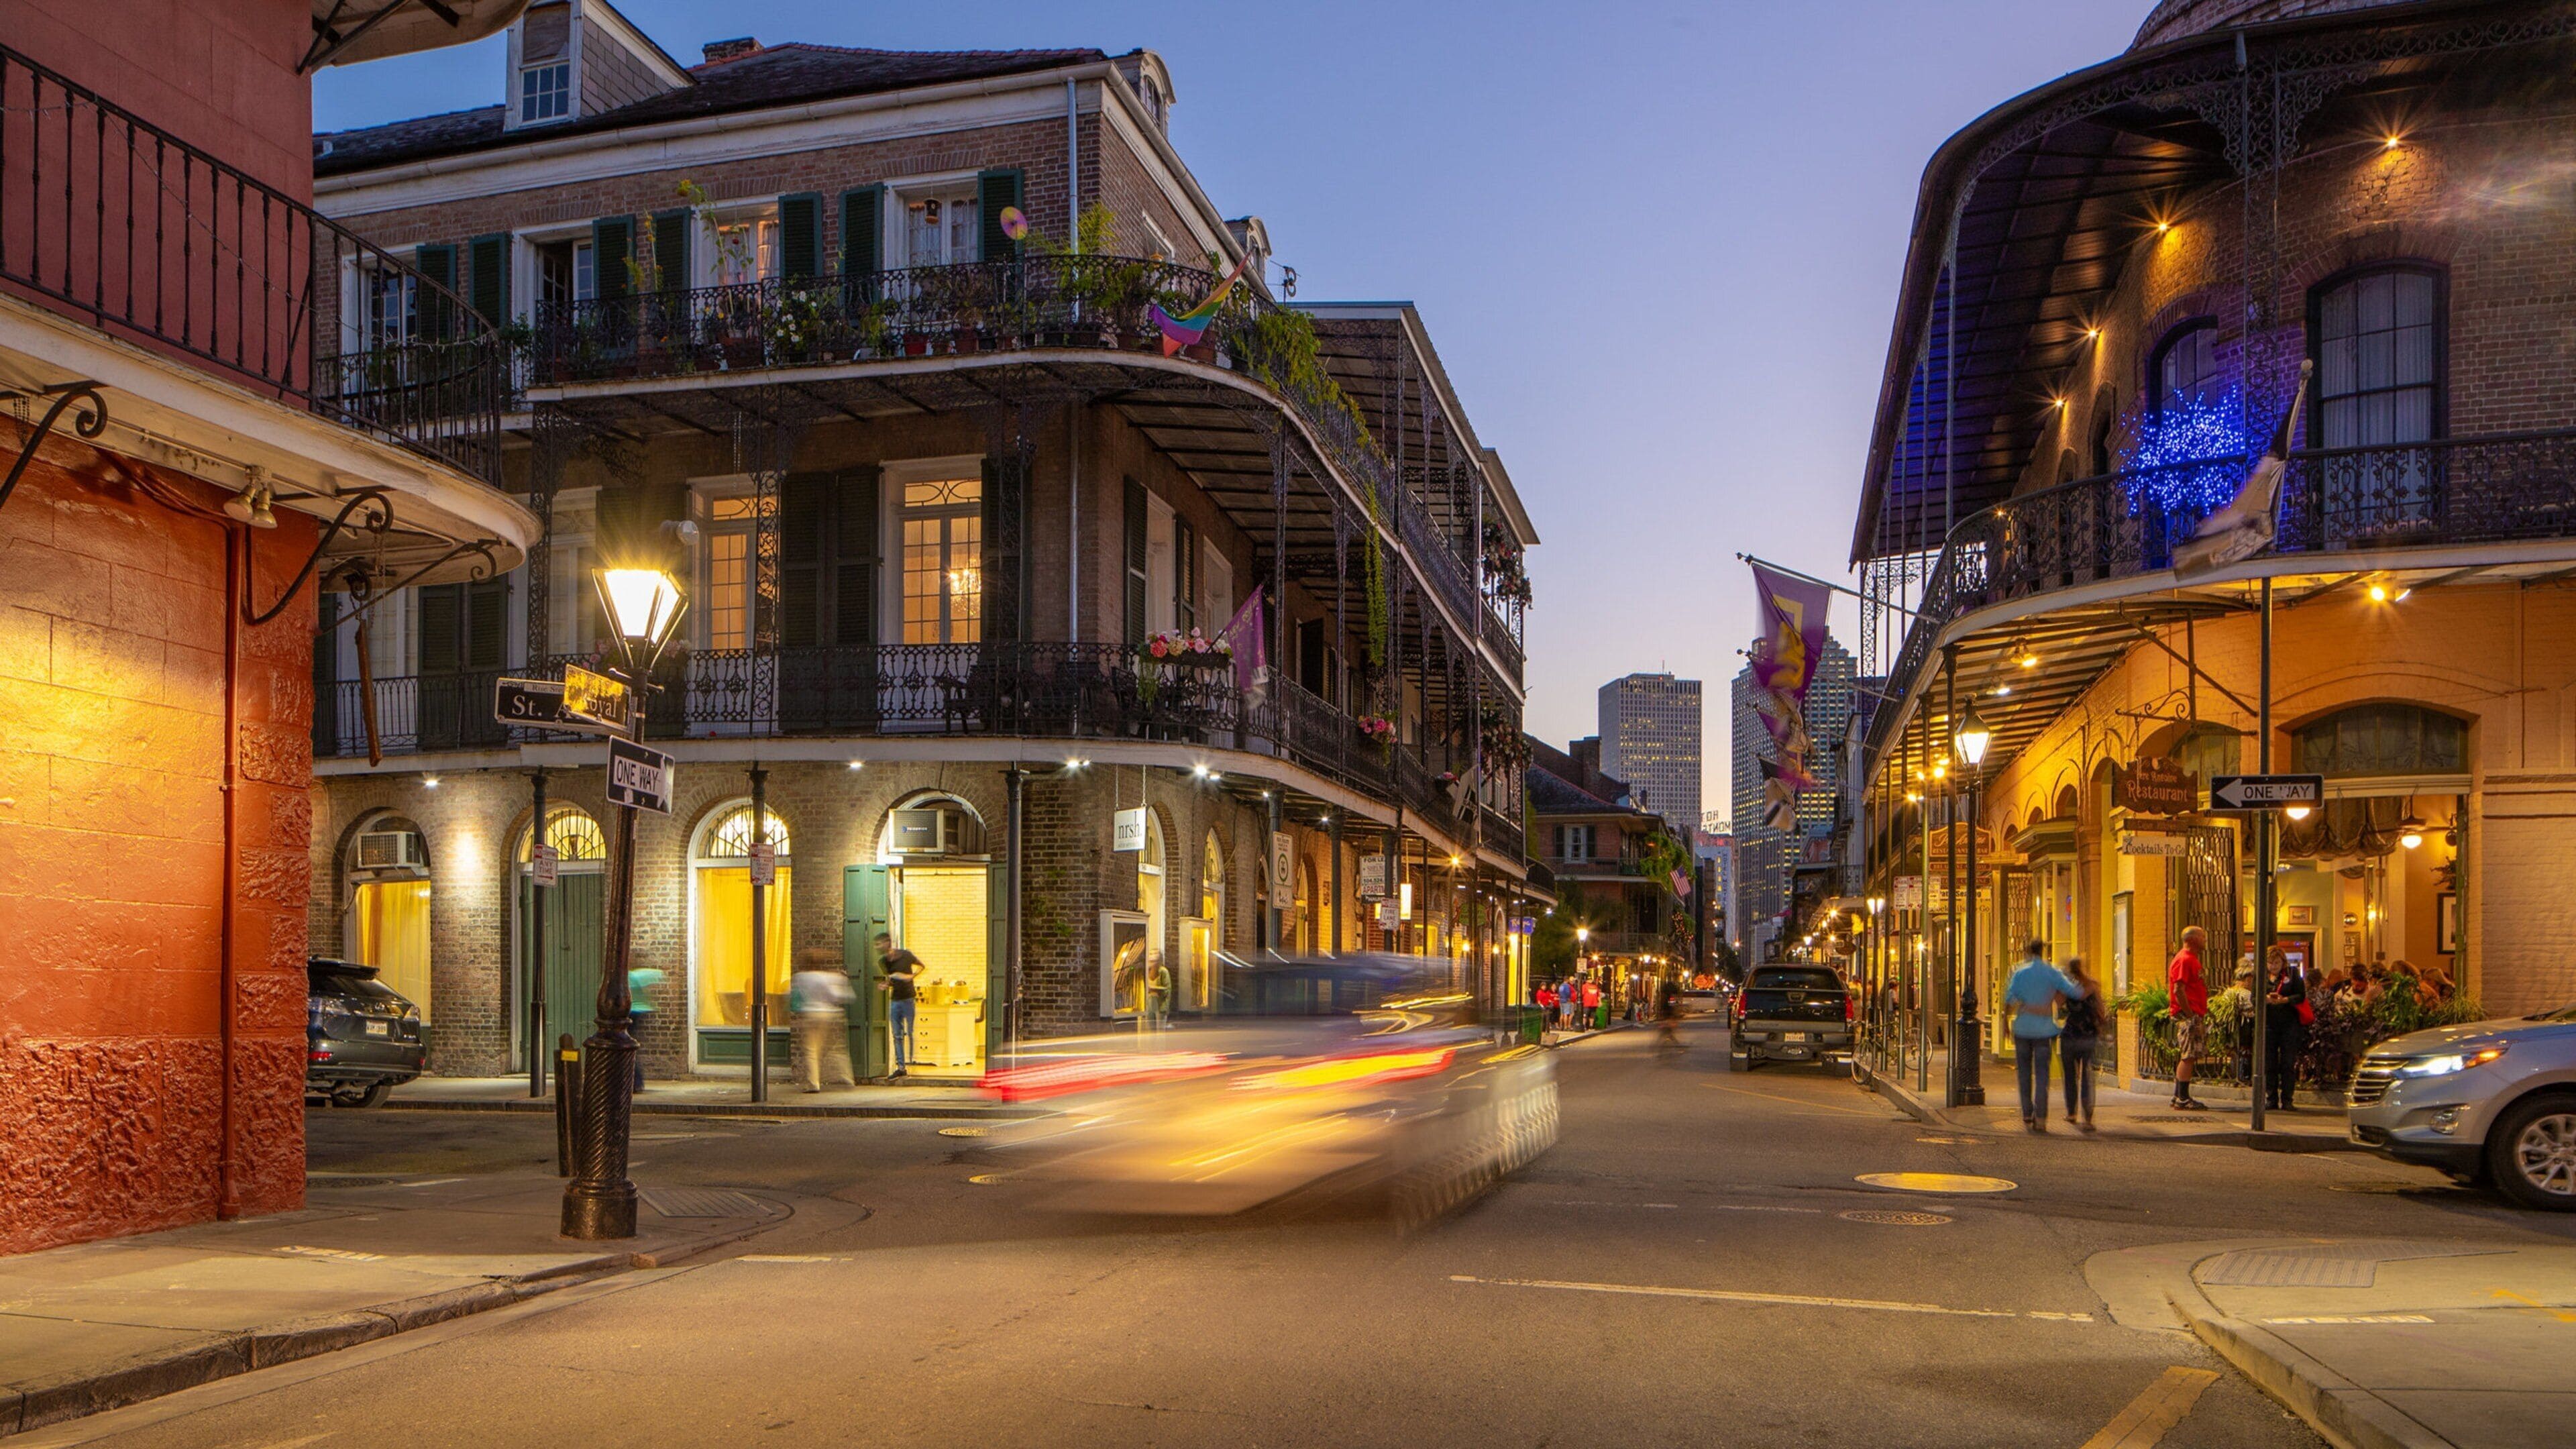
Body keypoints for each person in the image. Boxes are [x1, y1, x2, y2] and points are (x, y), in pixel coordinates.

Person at [2000, 938, 2080, 1132]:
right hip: (2045, 1029)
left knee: (2024, 1073)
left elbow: (2009, 999)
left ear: (2028, 951)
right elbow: (2074, 991)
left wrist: (2005, 1024)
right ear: (2043, 951)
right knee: (2042, 1074)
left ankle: (2027, 1113)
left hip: (2023, 1028)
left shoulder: (2020, 973)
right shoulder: (2052, 972)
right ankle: (2042, 1116)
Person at [788, 947, 857, 1093]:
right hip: (829, 1014)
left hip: (810, 1015)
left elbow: (791, 997)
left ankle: (813, 1084)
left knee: (811, 1051)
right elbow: (843, 997)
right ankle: (847, 1078)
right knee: (837, 1048)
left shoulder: (800, 977)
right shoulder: (831, 977)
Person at [2165, 926, 2211, 1111]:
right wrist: (2190, 1015)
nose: (2205, 940)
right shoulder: (2185, 960)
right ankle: (2183, 1098)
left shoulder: (2191, 960)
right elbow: (2179, 989)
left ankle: (2178, 1096)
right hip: (2188, 1015)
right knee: (2189, 1055)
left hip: (2192, 1013)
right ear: (2192, 940)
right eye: (2202, 936)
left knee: (2188, 1055)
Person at [2059, 958, 2103, 1132]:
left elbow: (2059, 1006)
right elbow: (2100, 1010)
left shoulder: (2068, 988)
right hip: (2088, 1034)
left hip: (2070, 1035)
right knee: (2086, 1076)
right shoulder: (2093, 986)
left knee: (2070, 1076)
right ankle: (2088, 1118)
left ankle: (2071, 1113)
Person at [2263, 945, 2306, 1112]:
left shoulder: (2292, 975)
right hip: (2269, 1025)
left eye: (2277, 962)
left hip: (2289, 1025)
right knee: (2269, 1063)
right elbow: (2254, 997)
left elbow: (2301, 996)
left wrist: (2285, 1000)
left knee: (2288, 1063)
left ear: (2283, 962)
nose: (2273, 966)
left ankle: (2287, 1100)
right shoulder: (2262, 977)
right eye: (2270, 963)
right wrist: (2266, 999)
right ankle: (2271, 1098)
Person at [875, 932, 922, 1079]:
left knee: (910, 1031)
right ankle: (901, 1067)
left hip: (909, 998)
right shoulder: (883, 962)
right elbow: (891, 980)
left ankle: (912, 1061)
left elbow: (921, 966)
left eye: (879, 944)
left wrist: (911, 977)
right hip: (895, 1000)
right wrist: (885, 984)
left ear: (887, 943)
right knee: (897, 1035)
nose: (877, 947)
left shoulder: (906, 955)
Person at [627, 965, 664, 1093]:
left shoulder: (627, 978)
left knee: (628, 1049)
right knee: (631, 1048)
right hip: (639, 1012)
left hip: (630, 1013)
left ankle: (635, 1082)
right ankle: (636, 1083)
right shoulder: (634, 978)